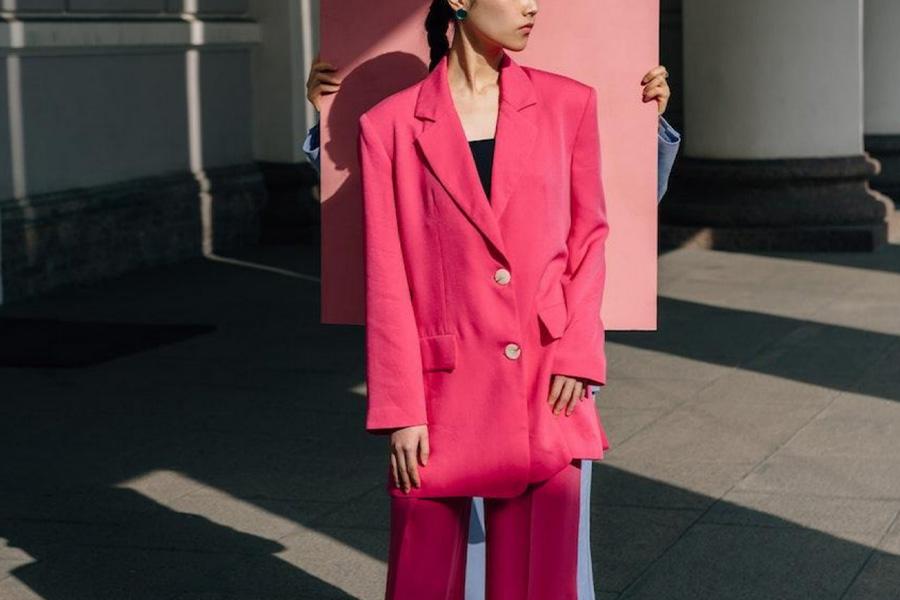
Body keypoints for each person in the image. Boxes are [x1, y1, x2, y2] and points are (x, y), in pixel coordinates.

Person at [305, 3, 681, 598]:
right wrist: (401, 408)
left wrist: (580, 353)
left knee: (540, 582)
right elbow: (388, 276)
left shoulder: (567, 104)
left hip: (546, 381)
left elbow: (590, 237)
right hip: (438, 391)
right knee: (422, 582)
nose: (533, 4)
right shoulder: (390, 125)